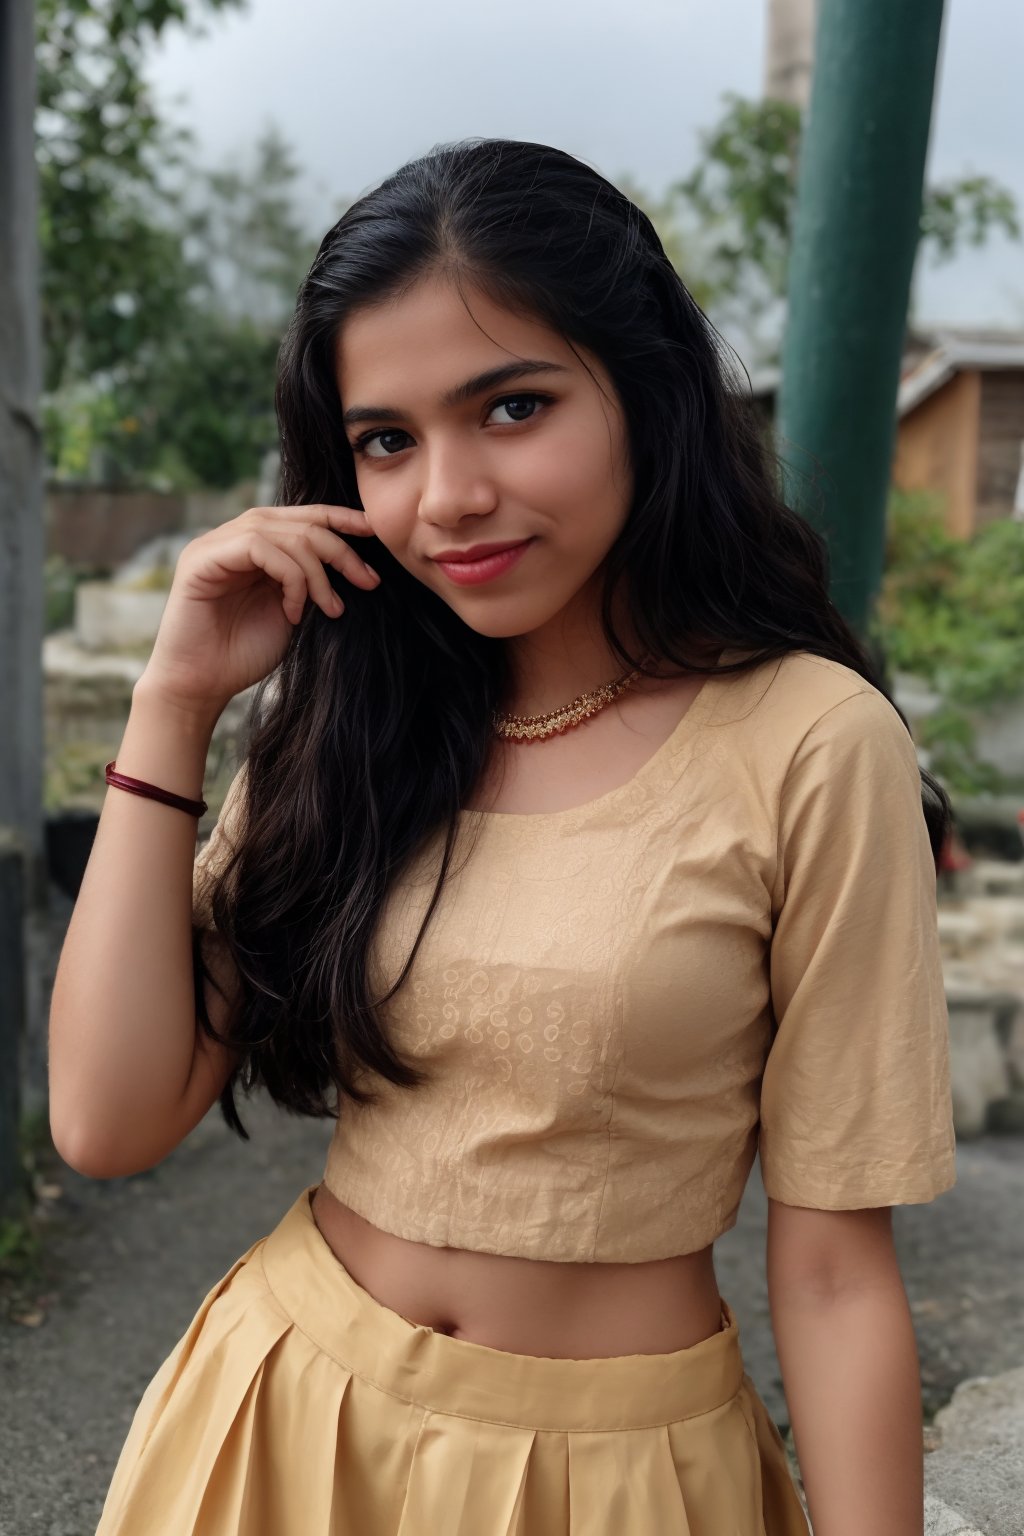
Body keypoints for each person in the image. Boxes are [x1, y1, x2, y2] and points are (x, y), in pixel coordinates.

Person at [49, 137, 957, 1536]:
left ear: (644, 394)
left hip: (615, 1479)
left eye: (514, 406)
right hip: (287, 1425)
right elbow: (108, 1122)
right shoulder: (353, 726)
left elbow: (834, 1274)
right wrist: (172, 704)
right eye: (387, 442)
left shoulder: (809, 743)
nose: (448, 496)